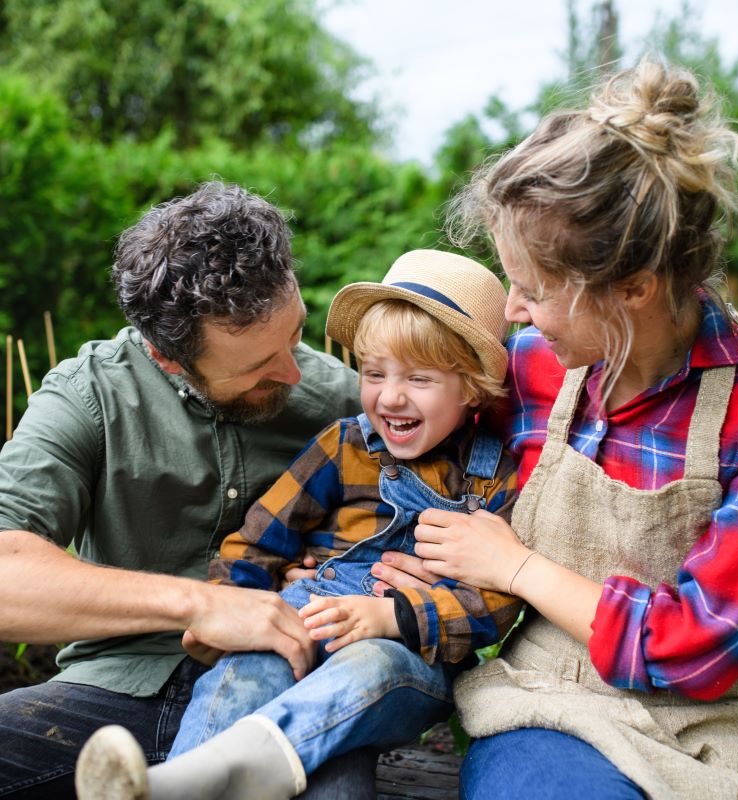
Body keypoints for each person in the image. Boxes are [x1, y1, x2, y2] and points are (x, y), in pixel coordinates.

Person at [369, 60, 738, 799]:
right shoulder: (533, 369)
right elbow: (427, 458)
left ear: (633, 288)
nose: (510, 312)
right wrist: (416, 556)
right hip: (546, 709)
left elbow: (697, 650)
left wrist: (515, 568)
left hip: (715, 733)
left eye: (534, 291)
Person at [74, 249, 521, 800]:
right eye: (374, 373)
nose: (390, 395)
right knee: (249, 666)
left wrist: (393, 615)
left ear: (473, 387)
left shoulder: (491, 479)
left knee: (370, 665)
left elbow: (497, 602)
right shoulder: (342, 447)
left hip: (405, 658)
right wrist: (226, 606)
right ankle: (179, 782)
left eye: (419, 379)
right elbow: (259, 538)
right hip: (306, 620)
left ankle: (216, 774)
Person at [0, 182, 382, 799]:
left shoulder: (344, 403)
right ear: (168, 356)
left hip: (287, 695)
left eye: (295, 335)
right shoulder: (88, 395)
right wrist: (203, 604)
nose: (292, 370)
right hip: (114, 690)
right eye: (257, 369)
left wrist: (345, 566)